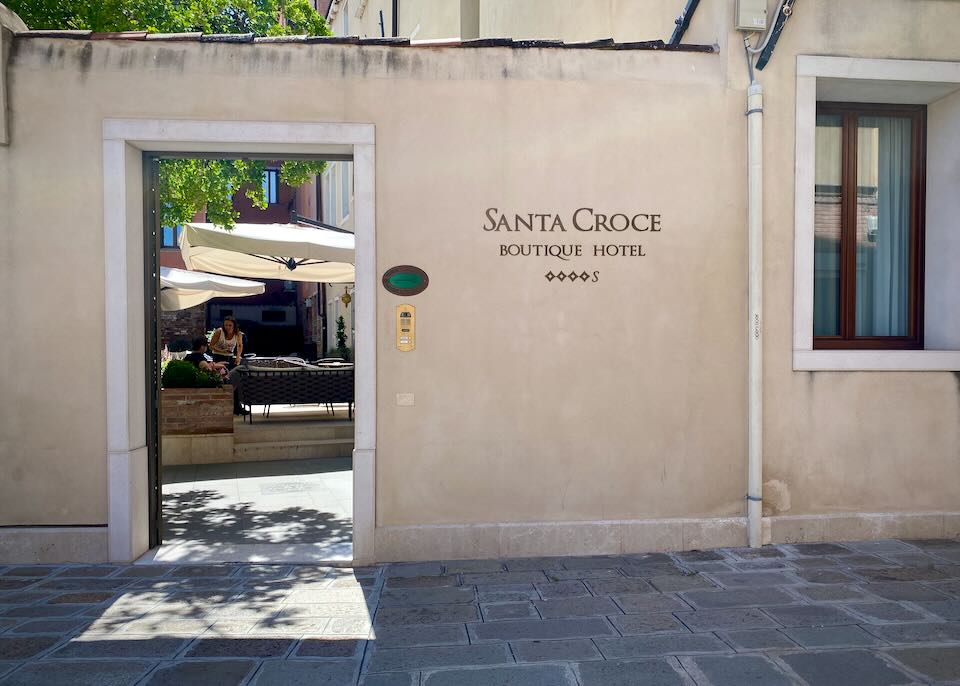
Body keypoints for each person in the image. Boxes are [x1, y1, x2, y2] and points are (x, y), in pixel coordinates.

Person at [184, 336, 248, 415]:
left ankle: (237, 407)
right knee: (240, 370)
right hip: (213, 385)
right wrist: (217, 368)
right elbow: (206, 368)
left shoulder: (188, 357)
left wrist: (215, 364)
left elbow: (203, 366)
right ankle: (237, 407)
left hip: (199, 383)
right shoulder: (199, 357)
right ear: (202, 347)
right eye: (206, 346)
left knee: (233, 379)